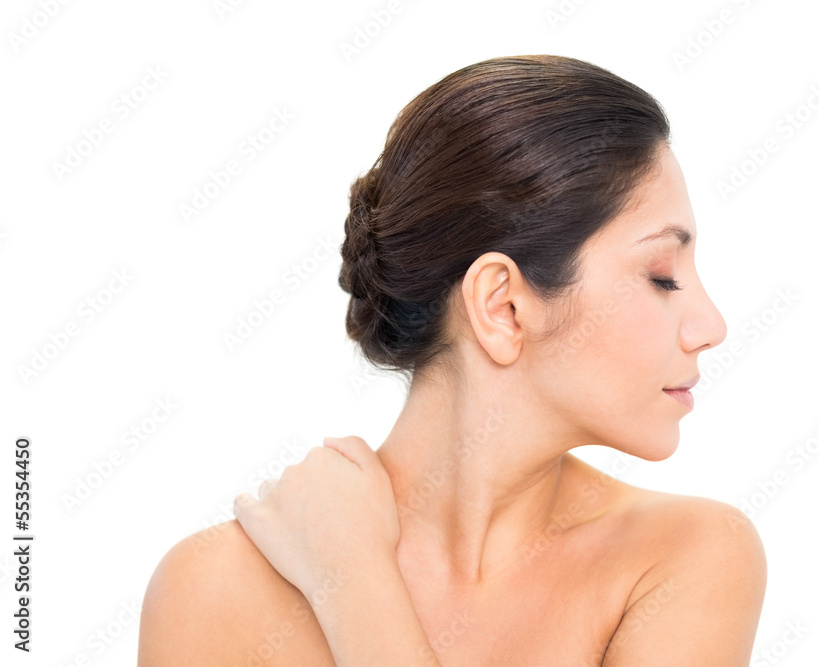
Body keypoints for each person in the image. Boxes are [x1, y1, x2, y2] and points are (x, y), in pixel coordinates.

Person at [137, 54, 766, 666]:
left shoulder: (686, 560)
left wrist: (355, 582)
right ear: (503, 307)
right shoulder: (212, 592)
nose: (711, 327)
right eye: (661, 276)